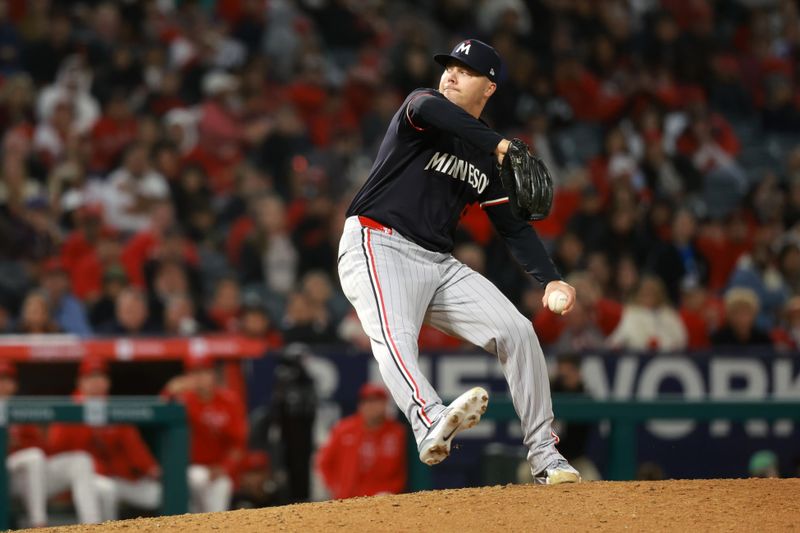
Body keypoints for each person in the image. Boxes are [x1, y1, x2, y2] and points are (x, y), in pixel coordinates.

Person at [336, 39, 579, 484]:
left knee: (518, 331)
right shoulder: (423, 107)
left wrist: (550, 279)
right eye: (449, 66)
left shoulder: (485, 155)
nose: (451, 74)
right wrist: (502, 144)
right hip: (377, 243)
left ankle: (547, 459)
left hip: (436, 262)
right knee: (395, 335)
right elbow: (432, 110)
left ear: (489, 87)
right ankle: (429, 416)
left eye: (465, 71)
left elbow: (513, 226)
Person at [47, 357, 162, 521]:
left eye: (100, 377)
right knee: (107, 490)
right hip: (84, 478)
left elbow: (134, 447)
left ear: (108, 382)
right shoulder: (69, 409)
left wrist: (152, 469)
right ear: (80, 382)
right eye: (90, 377)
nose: (96, 382)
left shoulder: (114, 408)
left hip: (116, 475)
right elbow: (58, 451)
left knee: (156, 495)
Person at [1, 360, 102, 526]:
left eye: (8, 380)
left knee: (80, 460)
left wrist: (26, 441)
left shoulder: (20, 409)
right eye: (1, 379)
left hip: (27, 478)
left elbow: (45, 450)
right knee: (34, 457)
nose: (4, 384)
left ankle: (93, 526)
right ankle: (38, 523)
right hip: (5, 478)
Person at [162, 357, 247, 513]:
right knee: (197, 479)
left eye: (205, 372)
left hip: (218, 468)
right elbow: (159, 413)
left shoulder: (229, 400)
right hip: (190, 468)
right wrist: (168, 392)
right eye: (195, 373)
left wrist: (224, 467)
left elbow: (238, 443)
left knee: (221, 485)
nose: (200, 378)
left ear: (213, 375)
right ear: (187, 377)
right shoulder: (183, 400)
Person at [317, 383, 406, 499]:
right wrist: (336, 487)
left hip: (384, 500)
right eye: (367, 401)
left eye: (376, 401)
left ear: (385, 404)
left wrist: (392, 491)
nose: (371, 406)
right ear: (360, 405)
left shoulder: (397, 432)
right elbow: (324, 462)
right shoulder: (344, 429)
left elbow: (404, 471)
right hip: (348, 500)